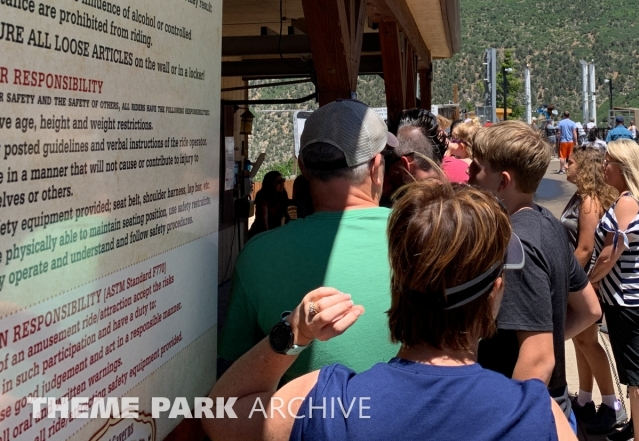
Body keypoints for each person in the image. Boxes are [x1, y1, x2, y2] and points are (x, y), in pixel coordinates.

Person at [204, 179, 576, 441]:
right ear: (495, 293)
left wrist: (292, 333)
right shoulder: (535, 416)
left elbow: (219, 415)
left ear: (397, 283)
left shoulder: (330, 402)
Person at [219, 100, 401, 380]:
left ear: (303, 167)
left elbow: (233, 369)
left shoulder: (258, 255)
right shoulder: (423, 238)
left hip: (297, 420)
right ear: (376, 166)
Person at [471, 121, 602, 431]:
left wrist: (505, 428)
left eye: (477, 169)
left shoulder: (516, 246)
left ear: (503, 181)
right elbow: (589, 310)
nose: (469, 176)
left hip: (527, 414)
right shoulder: (547, 223)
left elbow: (537, 361)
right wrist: (553, 335)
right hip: (554, 405)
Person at [589, 139, 639, 441]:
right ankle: (637, 425)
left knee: (636, 375)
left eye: (608, 161)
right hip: (637, 295)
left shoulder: (627, 203)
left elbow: (610, 254)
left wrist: (590, 280)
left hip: (627, 299)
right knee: (635, 368)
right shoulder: (634, 199)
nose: (603, 166)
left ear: (622, 167)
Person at [560, 148, 628, 435]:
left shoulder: (589, 201)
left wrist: (564, 279)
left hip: (582, 282)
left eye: (571, 162)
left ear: (584, 168)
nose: (566, 165)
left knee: (588, 342)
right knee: (579, 341)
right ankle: (585, 398)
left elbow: (585, 249)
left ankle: (612, 404)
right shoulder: (582, 196)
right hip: (581, 281)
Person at [383, 108, 448, 203]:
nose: (385, 171)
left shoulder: (407, 214)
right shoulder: (461, 203)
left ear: (404, 167)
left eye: (387, 161)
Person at [249, 170, 288, 236]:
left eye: (282, 180)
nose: (282, 184)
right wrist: (268, 236)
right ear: (270, 184)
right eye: (278, 182)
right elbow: (263, 221)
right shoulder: (263, 197)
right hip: (261, 234)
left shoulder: (282, 195)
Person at [443, 118, 479, 184]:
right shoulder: (479, 164)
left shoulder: (461, 163)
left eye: (453, 140)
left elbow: (442, 169)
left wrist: (449, 151)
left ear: (462, 146)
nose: (451, 142)